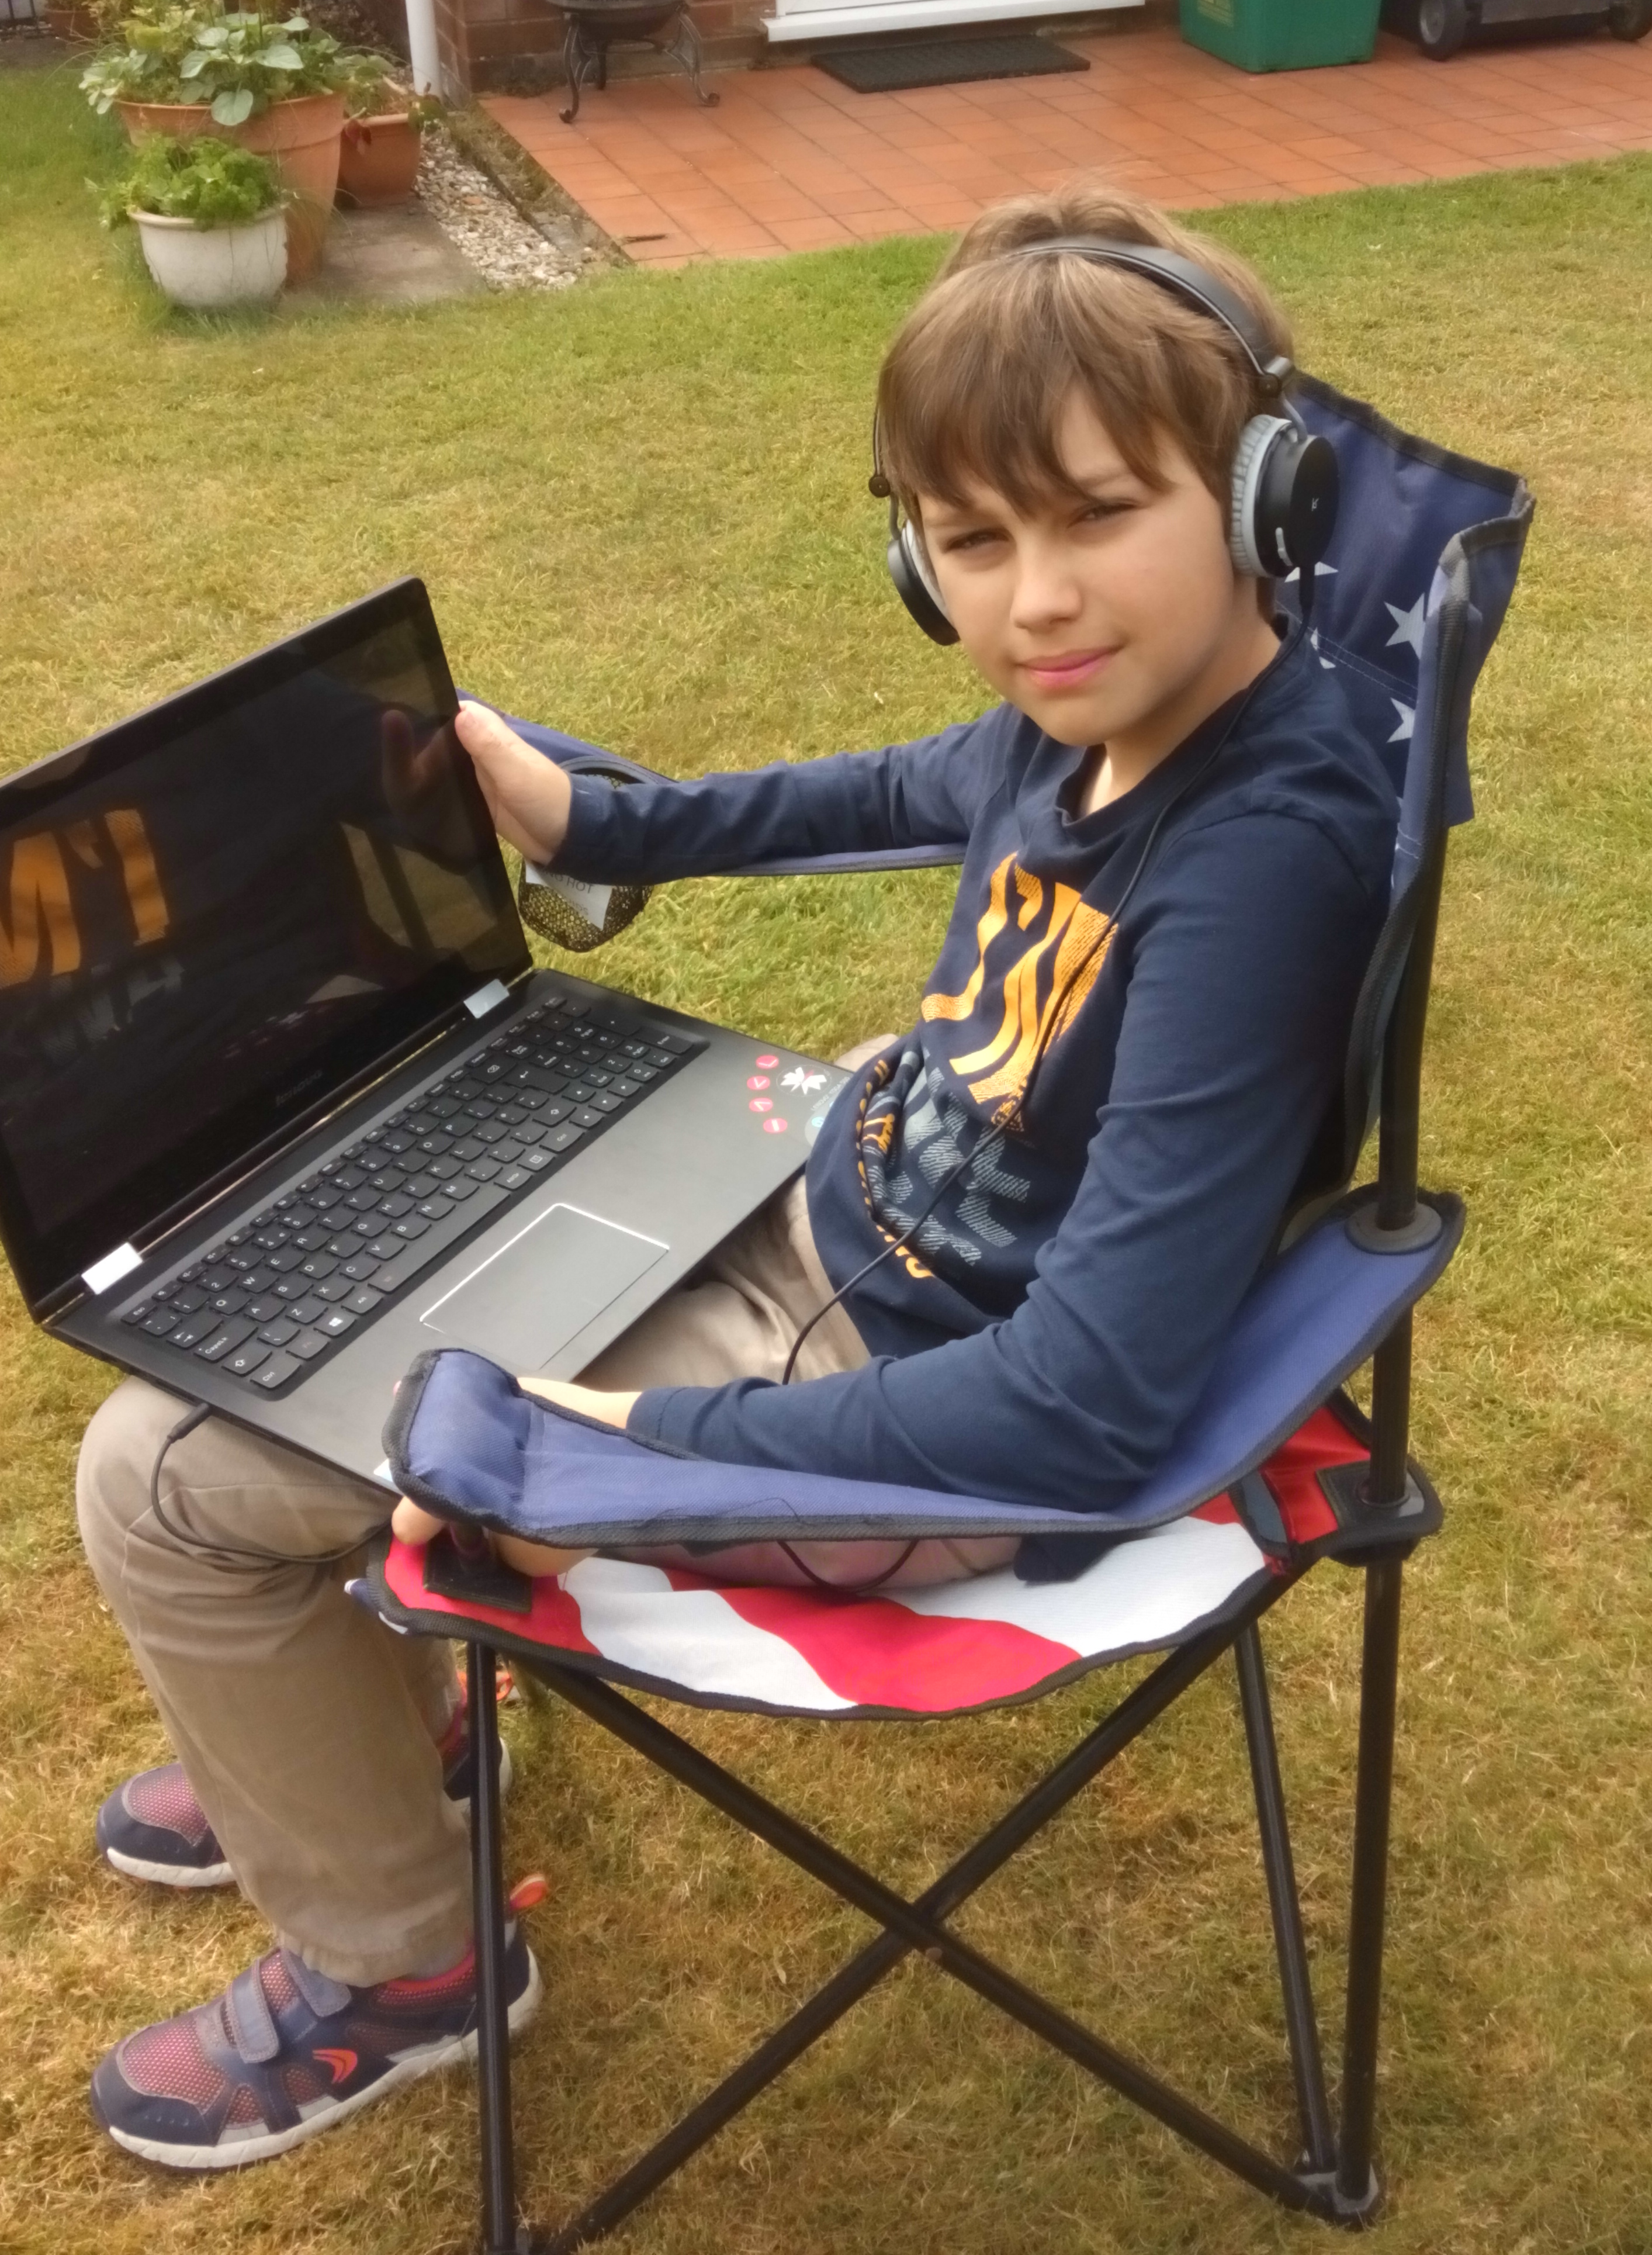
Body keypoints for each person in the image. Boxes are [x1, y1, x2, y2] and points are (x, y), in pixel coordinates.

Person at [77, 186, 1398, 2172]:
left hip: (899, 1409)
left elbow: (1082, 1405)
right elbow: (873, 792)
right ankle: (362, 1742)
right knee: (377, 1279)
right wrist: (593, 816)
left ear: (1260, 494)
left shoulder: (1260, 854)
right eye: (973, 540)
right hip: (836, 1232)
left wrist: (620, 1437)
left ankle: (405, 1967)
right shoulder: (1100, 724)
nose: (1037, 601)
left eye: (1100, 513)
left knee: (157, 1479)